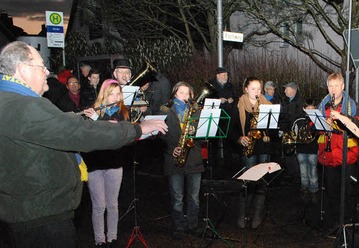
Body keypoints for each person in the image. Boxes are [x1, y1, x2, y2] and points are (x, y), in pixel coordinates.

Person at [0, 41, 168, 248]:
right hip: (41, 217)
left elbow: (45, 129)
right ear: (23, 70)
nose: (47, 71)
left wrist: (70, 117)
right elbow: (80, 133)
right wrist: (137, 129)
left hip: (23, 212)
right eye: (41, 66)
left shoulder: (8, 100)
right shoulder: (26, 105)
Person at [81, 79, 133, 247]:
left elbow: (117, 131)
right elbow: (88, 136)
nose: (116, 97)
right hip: (95, 164)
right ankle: (100, 240)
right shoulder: (94, 111)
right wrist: (92, 119)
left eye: (118, 94)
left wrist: (98, 120)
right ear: (104, 94)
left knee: (112, 204)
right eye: (112, 94)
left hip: (114, 163)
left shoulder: (123, 113)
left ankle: (112, 238)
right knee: (98, 205)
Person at [159, 82, 206, 239]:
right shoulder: (165, 110)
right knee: (177, 197)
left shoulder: (196, 111)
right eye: (182, 93)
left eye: (188, 93)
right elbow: (159, 136)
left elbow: (204, 136)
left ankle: (193, 224)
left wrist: (197, 132)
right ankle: (179, 225)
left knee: (194, 196)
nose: (185, 96)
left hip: (194, 158)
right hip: (173, 158)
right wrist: (171, 148)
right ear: (174, 95)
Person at [317, 72, 359, 232]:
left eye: (336, 85)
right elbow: (315, 130)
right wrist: (321, 124)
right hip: (328, 156)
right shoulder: (323, 105)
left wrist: (341, 119)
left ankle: (348, 223)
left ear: (343, 86)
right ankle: (336, 222)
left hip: (346, 156)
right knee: (331, 191)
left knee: (347, 191)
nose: (333, 89)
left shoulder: (352, 105)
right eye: (330, 85)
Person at [233, 77, 273, 229]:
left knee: (262, 183)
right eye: (253, 88)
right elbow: (231, 128)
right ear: (246, 89)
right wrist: (239, 138)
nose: (257, 92)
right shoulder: (239, 105)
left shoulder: (266, 105)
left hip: (263, 146)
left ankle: (257, 215)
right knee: (247, 182)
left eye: (259, 88)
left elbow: (274, 127)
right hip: (248, 146)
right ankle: (242, 214)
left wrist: (269, 133)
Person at [296, 99, 320, 202]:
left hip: (313, 149)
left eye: (312, 108)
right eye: (307, 108)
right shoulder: (299, 120)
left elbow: (320, 134)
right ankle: (305, 190)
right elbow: (294, 133)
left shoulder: (318, 120)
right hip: (301, 149)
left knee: (313, 172)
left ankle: (314, 191)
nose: (310, 110)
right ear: (304, 109)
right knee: (303, 173)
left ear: (315, 109)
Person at [281, 82, 305, 180]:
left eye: (287, 88)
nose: (284, 91)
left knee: (295, 155)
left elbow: (299, 118)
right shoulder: (285, 101)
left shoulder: (300, 102)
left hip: (295, 132)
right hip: (286, 131)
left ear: (293, 90)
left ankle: (296, 175)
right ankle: (290, 174)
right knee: (287, 154)